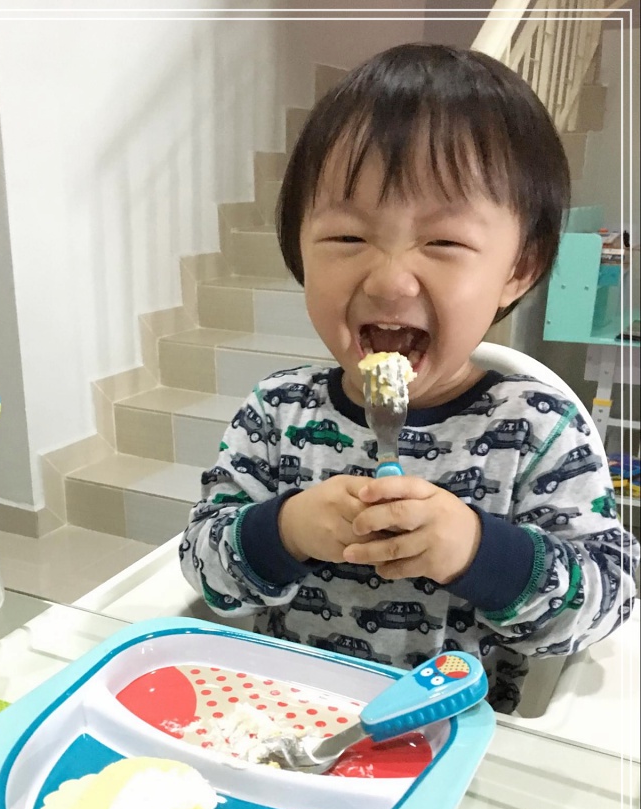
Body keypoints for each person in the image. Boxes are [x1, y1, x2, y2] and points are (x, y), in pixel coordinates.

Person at [179, 43, 639, 714]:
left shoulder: (540, 429)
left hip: (459, 743)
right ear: (299, 251)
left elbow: (607, 599)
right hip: (293, 722)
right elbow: (204, 568)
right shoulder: (276, 414)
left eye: (445, 243)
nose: (390, 279)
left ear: (518, 269)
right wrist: (285, 531)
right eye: (346, 239)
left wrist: (480, 552)